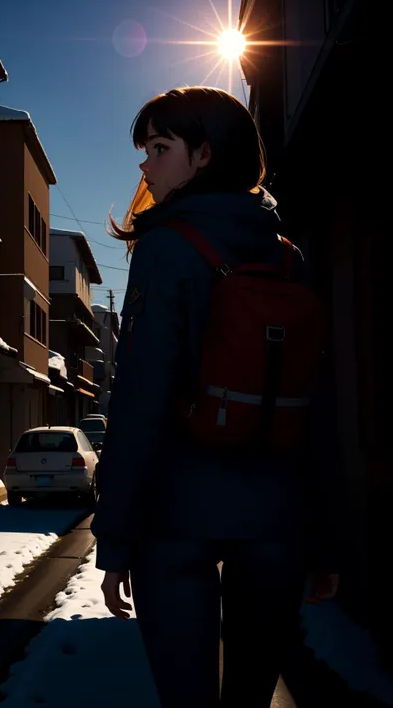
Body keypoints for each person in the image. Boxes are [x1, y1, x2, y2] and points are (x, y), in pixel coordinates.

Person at [91, 86, 341, 707]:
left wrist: (117, 541)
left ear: (203, 155)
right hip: (277, 521)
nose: (145, 166)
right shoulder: (289, 257)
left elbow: (140, 401)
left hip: (176, 521)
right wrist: (326, 538)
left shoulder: (166, 248)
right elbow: (319, 410)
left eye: (158, 147)